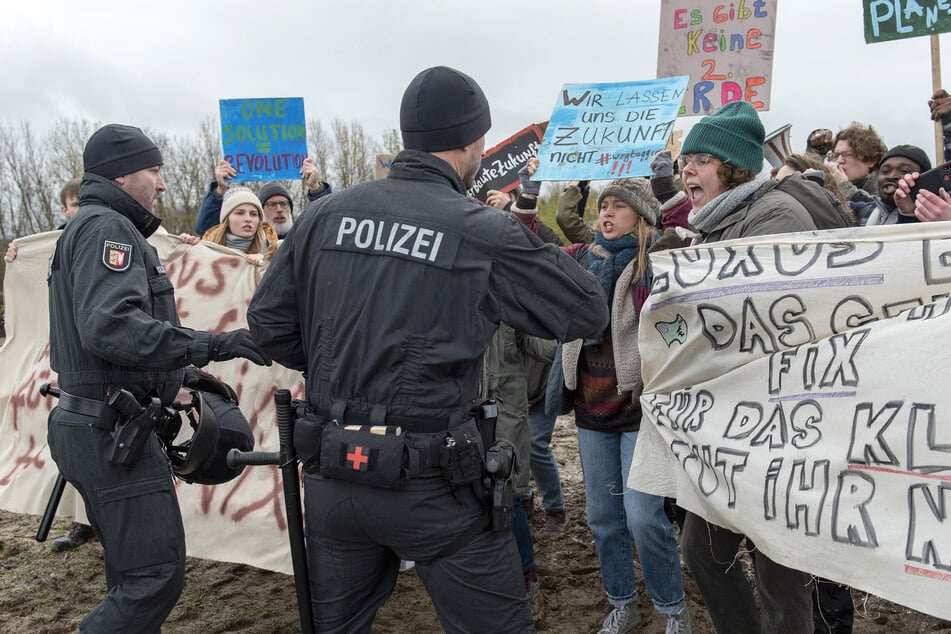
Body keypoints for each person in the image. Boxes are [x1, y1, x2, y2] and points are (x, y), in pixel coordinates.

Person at [246, 66, 608, 634]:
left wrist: (339, 365)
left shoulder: (323, 214)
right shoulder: (480, 227)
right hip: (434, 485)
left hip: (333, 474)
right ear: (473, 143)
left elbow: (267, 324)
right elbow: (585, 310)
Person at [46, 123, 271, 632]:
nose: (162, 184)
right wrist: (214, 344)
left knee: (130, 572)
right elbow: (111, 327)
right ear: (123, 174)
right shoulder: (107, 230)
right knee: (153, 577)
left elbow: (103, 343)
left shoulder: (93, 226)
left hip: (96, 420)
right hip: (109, 430)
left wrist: (181, 375)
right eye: (154, 171)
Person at [676, 100, 816, 634]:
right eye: (685, 159)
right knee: (702, 549)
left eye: (701, 159)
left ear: (734, 166)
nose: (686, 169)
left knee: (780, 571)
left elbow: (764, 312)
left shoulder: (776, 216)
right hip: (729, 424)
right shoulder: (710, 225)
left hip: (782, 424)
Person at [551, 177, 691, 634]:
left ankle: (672, 609)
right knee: (603, 518)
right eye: (603, 206)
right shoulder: (581, 264)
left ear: (642, 216)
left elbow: (679, 333)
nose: (606, 214)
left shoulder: (655, 270)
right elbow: (533, 240)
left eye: (618, 207)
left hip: (639, 413)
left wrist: (674, 350)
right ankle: (622, 603)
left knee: (643, 517)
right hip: (592, 412)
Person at [194, 158, 331, 237]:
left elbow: (330, 225)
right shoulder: (248, 240)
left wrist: (316, 189)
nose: (279, 209)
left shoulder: (302, 238)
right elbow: (206, 230)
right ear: (260, 212)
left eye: (284, 204)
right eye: (271, 204)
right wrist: (220, 190)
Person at [197, 186, 279, 265]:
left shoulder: (275, 249)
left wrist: (267, 263)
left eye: (253, 214)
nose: (248, 219)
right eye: (240, 213)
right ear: (227, 219)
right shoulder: (207, 248)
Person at [5, 178, 81, 263]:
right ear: (65, 210)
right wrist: (17, 255)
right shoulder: (55, 243)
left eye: (87, 203)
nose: (83, 209)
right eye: (76, 205)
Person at [828, 122, 887, 202]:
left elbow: (875, 209)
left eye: (847, 154)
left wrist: (845, 186)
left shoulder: (884, 188)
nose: (839, 161)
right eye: (836, 155)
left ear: (871, 160)